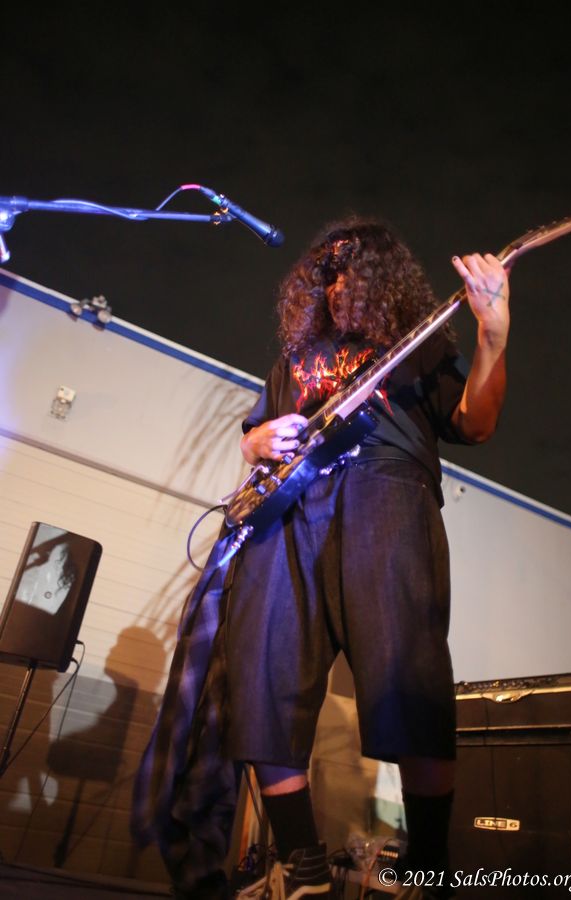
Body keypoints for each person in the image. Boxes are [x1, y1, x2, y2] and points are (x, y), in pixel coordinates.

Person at [132, 216, 510, 900]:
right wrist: (255, 443)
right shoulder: (295, 360)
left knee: (408, 677)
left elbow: (475, 424)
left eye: (350, 273)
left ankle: (430, 867)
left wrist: (492, 335)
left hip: (387, 496)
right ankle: (302, 867)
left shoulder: (418, 344)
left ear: (381, 278)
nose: (336, 287)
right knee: (262, 675)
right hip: (288, 513)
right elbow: (254, 434)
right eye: (326, 274)